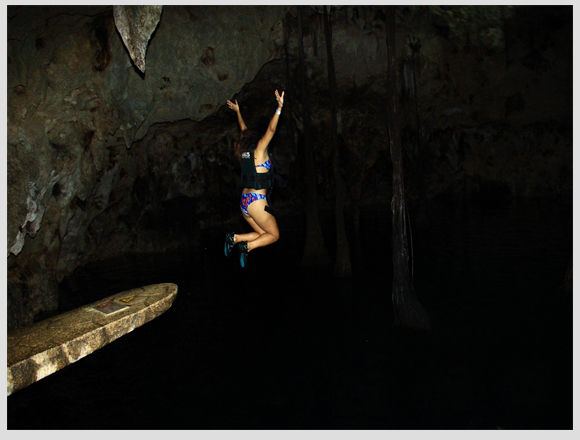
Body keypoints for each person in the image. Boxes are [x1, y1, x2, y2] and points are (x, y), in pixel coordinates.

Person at [224, 90, 285, 268]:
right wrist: (279, 109)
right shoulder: (260, 149)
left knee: (263, 235)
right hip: (257, 202)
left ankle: (234, 238)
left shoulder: (245, 153)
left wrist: (238, 113)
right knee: (274, 236)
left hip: (244, 202)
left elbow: (243, 130)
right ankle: (247, 247)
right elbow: (271, 130)